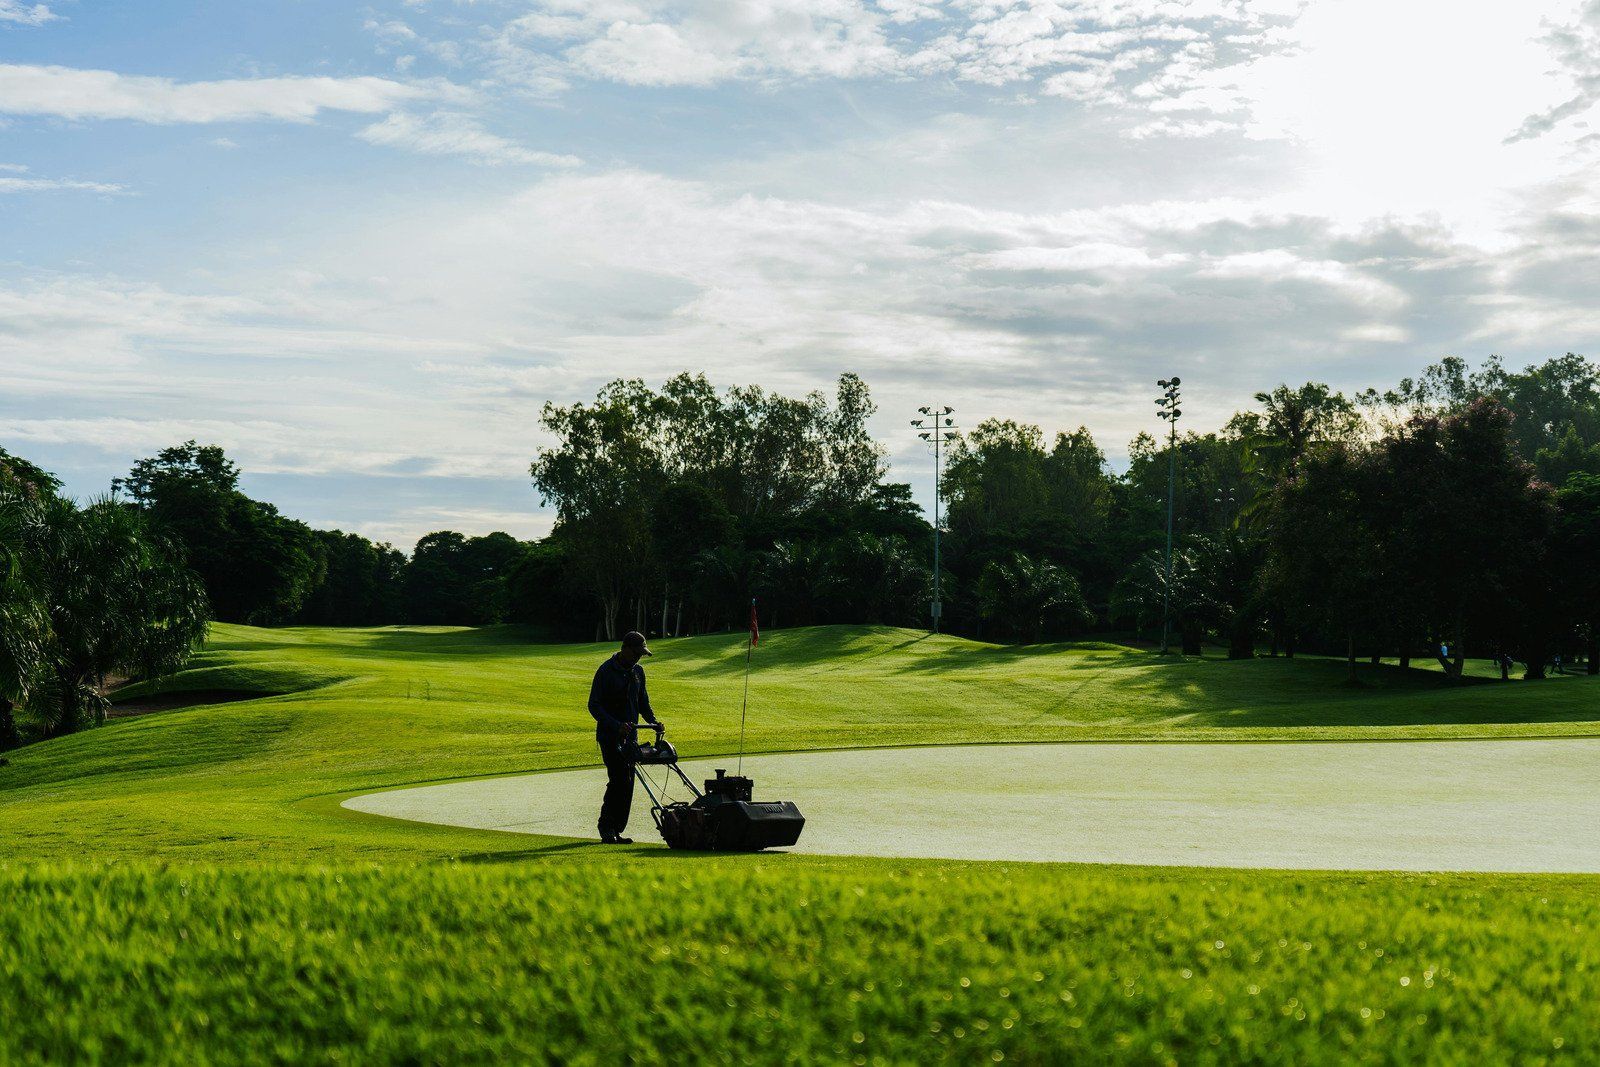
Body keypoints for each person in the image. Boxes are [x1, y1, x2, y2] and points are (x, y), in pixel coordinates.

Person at [587, 630, 660, 844]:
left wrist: (654, 722)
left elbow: (643, 702)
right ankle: (607, 827)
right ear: (625, 649)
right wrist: (616, 726)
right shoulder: (606, 671)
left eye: (641, 654)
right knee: (618, 780)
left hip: (631, 737)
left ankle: (617, 829)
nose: (638, 657)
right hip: (610, 736)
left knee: (628, 783)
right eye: (636, 653)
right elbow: (594, 706)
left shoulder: (638, 671)